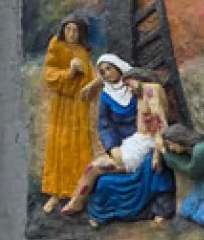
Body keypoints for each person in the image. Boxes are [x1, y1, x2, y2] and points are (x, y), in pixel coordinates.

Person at [61, 72, 175, 224]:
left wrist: (156, 154)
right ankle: (77, 201)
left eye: (129, 84)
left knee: (94, 168)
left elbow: (161, 125)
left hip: (143, 146)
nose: (128, 89)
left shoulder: (150, 90)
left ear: (138, 78)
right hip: (136, 142)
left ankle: (77, 202)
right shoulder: (142, 93)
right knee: (93, 167)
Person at [38, 16, 95, 213]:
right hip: (62, 106)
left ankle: (77, 192)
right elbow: (49, 74)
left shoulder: (83, 51)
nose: (72, 34)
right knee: (59, 145)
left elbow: (88, 78)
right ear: (63, 30)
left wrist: (85, 75)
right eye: (68, 29)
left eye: (76, 30)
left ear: (81, 33)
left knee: (77, 147)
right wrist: (69, 73)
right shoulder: (56, 45)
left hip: (78, 106)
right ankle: (55, 193)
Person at [83, 52, 138, 154]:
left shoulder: (134, 86)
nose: (107, 74)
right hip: (122, 141)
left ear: (117, 67)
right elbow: (105, 125)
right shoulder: (106, 96)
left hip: (144, 135)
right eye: (103, 72)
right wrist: (112, 147)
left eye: (109, 69)